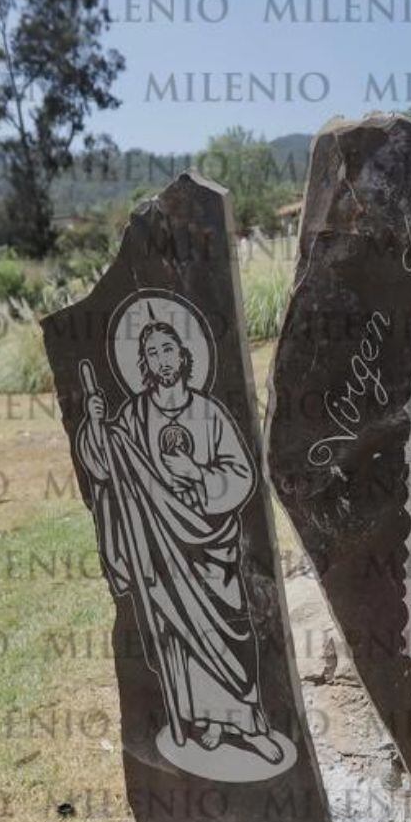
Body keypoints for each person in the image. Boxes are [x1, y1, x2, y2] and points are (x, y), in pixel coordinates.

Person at [76, 319, 283, 765]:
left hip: (211, 545)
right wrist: (94, 424)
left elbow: (242, 476)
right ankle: (210, 720)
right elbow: (107, 468)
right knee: (182, 640)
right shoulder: (133, 416)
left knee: (229, 633)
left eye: (168, 349)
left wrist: (198, 474)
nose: (162, 360)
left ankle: (250, 724)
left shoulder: (209, 412)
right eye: (152, 353)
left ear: (184, 355)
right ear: (144, 363)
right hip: (162, 547)